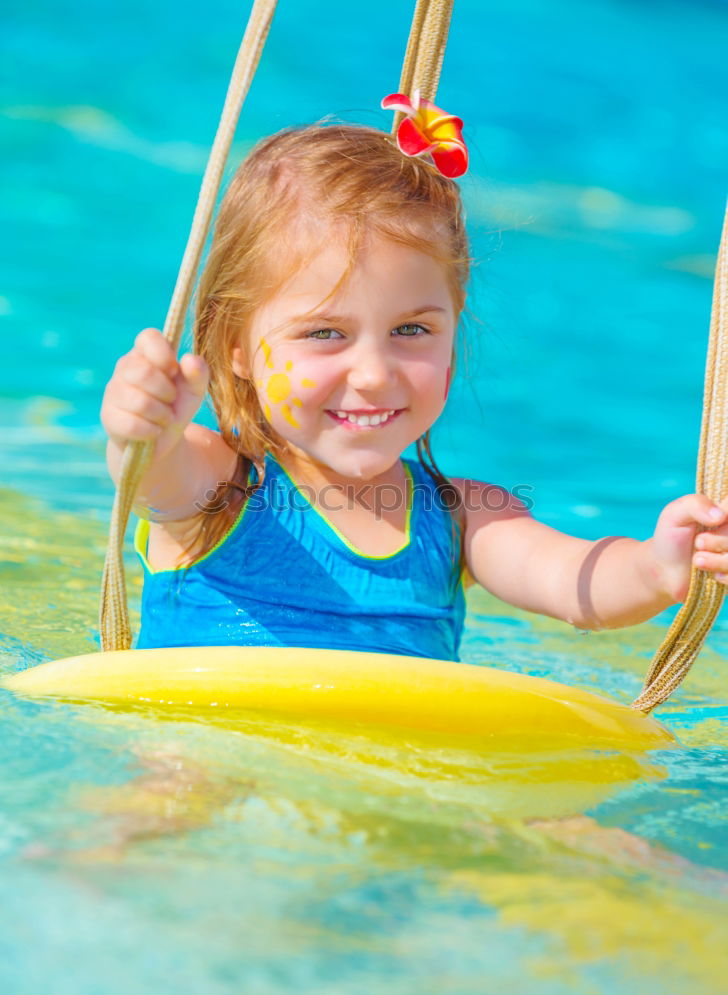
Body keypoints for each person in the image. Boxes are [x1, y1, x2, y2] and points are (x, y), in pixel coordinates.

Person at [101, 116, 728, 656]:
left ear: (454, 333)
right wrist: (142, 428)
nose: (375, 374)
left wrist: (656, 566)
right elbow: (151, 474)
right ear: (237, 348)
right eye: (324, 333)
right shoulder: (222, 486)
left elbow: (572, 582)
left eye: (410, 329)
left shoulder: (463, 519)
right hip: (206, 753)